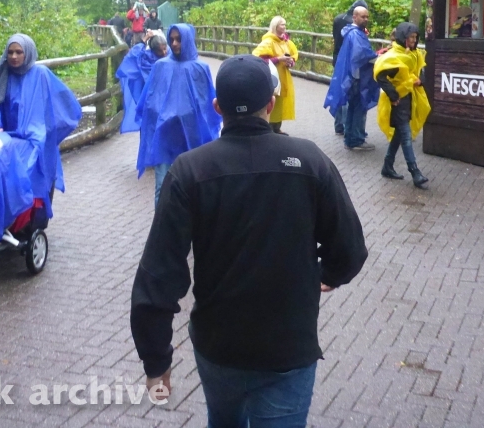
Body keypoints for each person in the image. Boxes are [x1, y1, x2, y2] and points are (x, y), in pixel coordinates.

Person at [130, 55, 368, 426]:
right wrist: (329, 273)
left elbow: (158, 274)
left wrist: (156, 360)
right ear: (271, 104)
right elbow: (350, 247)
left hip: (218, 345)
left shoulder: (189, 171)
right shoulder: (309, 161)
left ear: (217, 107)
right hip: (288, 346)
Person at [0, 34, 83, 216]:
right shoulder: (3, 77)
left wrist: (48, 132)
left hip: (36, 142)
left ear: (28, 53)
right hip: (8, 141)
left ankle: (31, 221)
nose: (14, 57)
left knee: (34, 179)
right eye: (10, 52)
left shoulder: (41, 75)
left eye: (19, 52)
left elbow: (65, 106)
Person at [135, 23, 221, 206]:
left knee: (193, 187)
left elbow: (207, 105)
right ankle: (162, 230)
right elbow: (150, 100)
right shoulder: (161, 67)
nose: (174, 44)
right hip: (166, 136)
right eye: (171, 39)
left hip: (192, 135)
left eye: (179, 39)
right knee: (163, 187)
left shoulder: (200, 68)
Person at [374, 22, 430, 189]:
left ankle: (387, 166)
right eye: (410, 37)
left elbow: (420, 70)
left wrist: (421, 81)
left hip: (409, 99)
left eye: (415, 37)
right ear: (402, 38)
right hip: (398, 101)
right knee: (405, 135)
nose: (413, 40)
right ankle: (415, 172)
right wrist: (393, 95)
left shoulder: (415, 54)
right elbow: (380, 75)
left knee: (400, 134)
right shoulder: (393, 57)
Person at [325, 6, 379, 151]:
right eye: (363, 16)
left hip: (352, 77)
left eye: (367, 16)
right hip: (357, 78)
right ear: (354, 17)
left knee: (352, 108)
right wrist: (376, 57)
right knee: (358, 108)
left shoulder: (352, 32)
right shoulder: (355, 34)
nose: (366, 19)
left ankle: (350, 138)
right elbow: (360, 54)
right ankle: (356, 139)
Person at [252, 16, 299, 135]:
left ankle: (277, 127)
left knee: (281, 101)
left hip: (283, 74)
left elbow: (294, 54)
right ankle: (267, 127)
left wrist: (290, 61)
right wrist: (279, 59)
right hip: (272, 75)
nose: (284, 27)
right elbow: (259, 58)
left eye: (285, 24)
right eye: (282, 24)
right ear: (275, 26)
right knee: (272, 100)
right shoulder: (268, 41)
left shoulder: (286, 41)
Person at [117, 32, 168, 133]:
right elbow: (134, 55)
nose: (163, 53)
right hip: (150, 103)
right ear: (153, 50)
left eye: (165, 49)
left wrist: (144, 40)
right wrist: (144, 40)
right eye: (159, 50)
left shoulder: (167, 59)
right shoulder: (145, 60)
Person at [331, 0, 368, 135]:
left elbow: (335, 38)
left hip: (337, 58)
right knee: (348, 94)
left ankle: (338, 125)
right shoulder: (354, 27)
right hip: (349, 62)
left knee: (340, 92)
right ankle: (348, 127)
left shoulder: (338, 19)